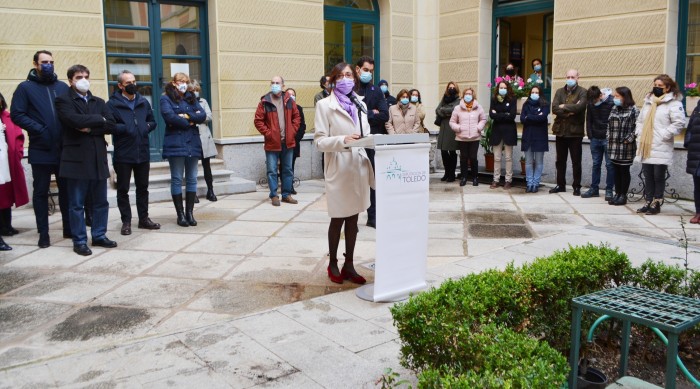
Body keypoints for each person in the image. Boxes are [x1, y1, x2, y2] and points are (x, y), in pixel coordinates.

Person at [314, 62, 373, 285]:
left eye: (349, 75)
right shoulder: (324, 105)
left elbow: (365, 132)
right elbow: (319, 141)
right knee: (338, 217)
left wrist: (364, 138)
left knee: (354, 218)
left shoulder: (359, 103)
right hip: (339, 164)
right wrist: (343, 140)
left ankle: (349, 265)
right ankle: (333, 263)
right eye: (341, 75)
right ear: (333, 79)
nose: (346, 79)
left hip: (357, 165)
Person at [10, 50, 70, 248]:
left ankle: (68, 227)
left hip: (63, 148)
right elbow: (17, 114)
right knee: (41, 192)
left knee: (66, 191)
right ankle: (43, 233)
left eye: (51, 61)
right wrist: (40, 129)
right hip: (40, 147)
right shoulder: (25, 88)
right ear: (35, 63)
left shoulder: (61, 86)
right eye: (45, 62)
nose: (49, 65)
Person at [55, 64, 117, 256]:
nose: (83, 80)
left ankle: (99, 235)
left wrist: (90, 125)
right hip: (76, 159)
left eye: (86, 76)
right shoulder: (63, 100)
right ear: (70, 81)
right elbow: (73, 121)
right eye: (79, 77)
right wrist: (99, 121)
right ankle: (79, 240)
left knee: (101, 202)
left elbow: (112, 125)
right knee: (76, 203)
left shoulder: (98, 101)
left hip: (98, 158)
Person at [107, 70, 160, 236]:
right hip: (124, 154)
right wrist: (127, 129)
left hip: (142, 151)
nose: (132, 85)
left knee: (143, 188)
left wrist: (145, 127)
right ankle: (126, 222)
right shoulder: (112, 104)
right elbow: (110, 126)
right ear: (120, 86)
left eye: (134, 81)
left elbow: (153, 121)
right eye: (128, 83)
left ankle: (144, 219)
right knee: (123, 189)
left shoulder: (143, 101)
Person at [635, 74, 686, 215]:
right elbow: (640, 120)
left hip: (661, 144)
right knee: (647, 174)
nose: (656, 88)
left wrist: (665, 134)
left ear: (668, 88)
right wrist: (639, 133)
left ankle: (656, 202)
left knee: (658, 175)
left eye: (660, 86)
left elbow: (679, 123)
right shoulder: (648, 101)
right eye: (655, 85)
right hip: (646, 143)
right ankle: (648, 200)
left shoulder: (674, 103)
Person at [161, 72, 207, 226]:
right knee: (177, 178)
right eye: (181, 81)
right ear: (174, 83)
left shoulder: (191, 97)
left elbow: (202, 115)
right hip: (175, 143)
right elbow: (169, 117)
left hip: (192, 143)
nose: (184, 84)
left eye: (186, 81)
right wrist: (190, 121)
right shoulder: (165, 98)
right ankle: (180, 215)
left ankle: (190, 214)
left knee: (192, 178)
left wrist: (185, 115)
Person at [254, 76, 301, 206]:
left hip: (288, 142)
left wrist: (292, 131)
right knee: (272, 170)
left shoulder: (289, 101)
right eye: (272, 83)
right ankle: (274, 195)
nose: (274, 85)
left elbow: (297, 117)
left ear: (283, 85)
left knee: (287, 170)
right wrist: (269, 133)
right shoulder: (265, 101)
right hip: (272, 142)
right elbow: (258, 121)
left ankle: (286, 195)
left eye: (277, 83)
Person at [355, 56, 388, 229]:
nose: (368, 74)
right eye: (366, 70)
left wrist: (366, 114)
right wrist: (371, 113)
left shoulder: (376, 91)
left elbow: (384, 115)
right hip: (353, 140)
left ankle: (372, 216)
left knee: (373, 180)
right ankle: (350, 217)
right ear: (358, 69)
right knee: (353, 180)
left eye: (371, 71)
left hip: (371, 140)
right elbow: (349, 115)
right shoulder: (350, 89)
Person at [550, 69, 587, 195]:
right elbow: (554, 108)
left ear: (578, 77)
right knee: (560, 161)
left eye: (572, 77)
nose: (570, 79)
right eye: (568, 76)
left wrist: (564, 107)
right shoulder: (559, 91)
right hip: (561, 131)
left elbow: (580, 107)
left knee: (576, 161)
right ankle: (560, 185)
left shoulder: (582, 92)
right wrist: (569, 113)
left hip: (575, 132)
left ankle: (577, 186)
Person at [0, 92, 29, 238]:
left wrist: (17, 153)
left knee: (8, 195)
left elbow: (18, 135)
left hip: (9, 162)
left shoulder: (8, 117)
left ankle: (8, 225)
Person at [582, 86, 615, 200]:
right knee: (596, 164)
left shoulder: (611, 102)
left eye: (595, 100)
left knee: (609, 165)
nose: (593, 103)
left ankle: (609, 190)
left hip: (608, 139)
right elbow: (588, 120)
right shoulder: (591, 103)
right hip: (595, 138)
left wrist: (611, 136)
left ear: (600, 96)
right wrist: (590, 136)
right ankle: (594, 188)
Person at [607, 87, 638, 206]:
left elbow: (637, 127)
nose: (615, 99)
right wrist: (608, 137)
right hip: (613, 146)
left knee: (624, 171)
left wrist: (628, 139)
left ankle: (623, 195)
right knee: (615, 170)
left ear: (625, 97)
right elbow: (609, 125)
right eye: (614, 96)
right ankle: (617, 193)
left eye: (617, 96)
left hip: (626, 147)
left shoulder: (633, 110)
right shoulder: (614, 108)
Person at [450, 87, 486, 187]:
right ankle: (464, 177)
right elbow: (452, 122)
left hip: (475, 137)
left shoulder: (479, 107)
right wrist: (458, 128)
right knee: (464, 158)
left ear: (473, 95)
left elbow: (483, 119)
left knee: (473, 157)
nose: (468, 96)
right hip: (462, 137)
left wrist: (479, 127)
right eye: (466, 94)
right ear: (463, 95)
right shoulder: (457, 108)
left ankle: (475, 177)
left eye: (470, 94)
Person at [190, 80, 218, 202]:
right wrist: (198, 116)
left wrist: (194, 117)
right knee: (192, 166)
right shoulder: (185, 102)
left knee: (207, 165)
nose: (195, 92)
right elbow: (186, 117)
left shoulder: (203, 101)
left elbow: (209, 116)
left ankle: (210, 191)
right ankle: (193, 192)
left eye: (197, 90)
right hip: (192, 136)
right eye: (193, 90)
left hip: (204, 137)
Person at [520, 85, 550, 193]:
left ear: (540, 93)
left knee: (539, 162)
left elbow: (542, 117)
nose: (534, 94)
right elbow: (522, 119)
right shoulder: (526, 104)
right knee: (528, 162)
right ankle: (529, 183)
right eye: (533, 92)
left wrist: (530, 117)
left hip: (540, 137)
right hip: (528, 136)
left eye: (537, 92)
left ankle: (536, 183)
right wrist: (535, 116)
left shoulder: (545, 105)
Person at [488, 81, 517, 189]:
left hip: (509, 131)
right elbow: (491, 115)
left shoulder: (512, 99)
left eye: (504, 87)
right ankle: (496, 180)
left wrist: (498, 114)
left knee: (509, 157)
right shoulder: (494, 99)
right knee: (497, 158)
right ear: (498, 88)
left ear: (508, 88)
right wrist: (505, 114)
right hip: (497, 131)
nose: (503, 89)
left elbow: (512, 116)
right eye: (501, 87)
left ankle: (508, 180)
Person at [436, 82, 461, 182]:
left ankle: (452, 174)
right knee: (443, 150)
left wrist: (443, 110)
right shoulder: (444, 98)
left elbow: (454, 110)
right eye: (449, 87)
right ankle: (446, 172)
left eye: (453, 87)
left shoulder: (458, 100)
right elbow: (437, 109)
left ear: (456, 89)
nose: (451, 89)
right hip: (443, 126)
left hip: (452, 127)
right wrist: (445, 111)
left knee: (452, 151)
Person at [285, 87, 306, 195]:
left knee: (290, 166)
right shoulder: (282, 108)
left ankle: (289, 186)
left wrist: (295, 138)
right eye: (289, 94)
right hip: (282, 142)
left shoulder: (298, 108)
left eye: (293, 94)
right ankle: (284, 186)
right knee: (282, 165)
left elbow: (302, 126)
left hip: (294, 142)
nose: (291, 96)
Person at [685, 101, 700, 222]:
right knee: (698, 185)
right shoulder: (697, 108)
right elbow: (690, 128)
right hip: (696, 152)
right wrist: (688, 143)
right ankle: (698, 212)